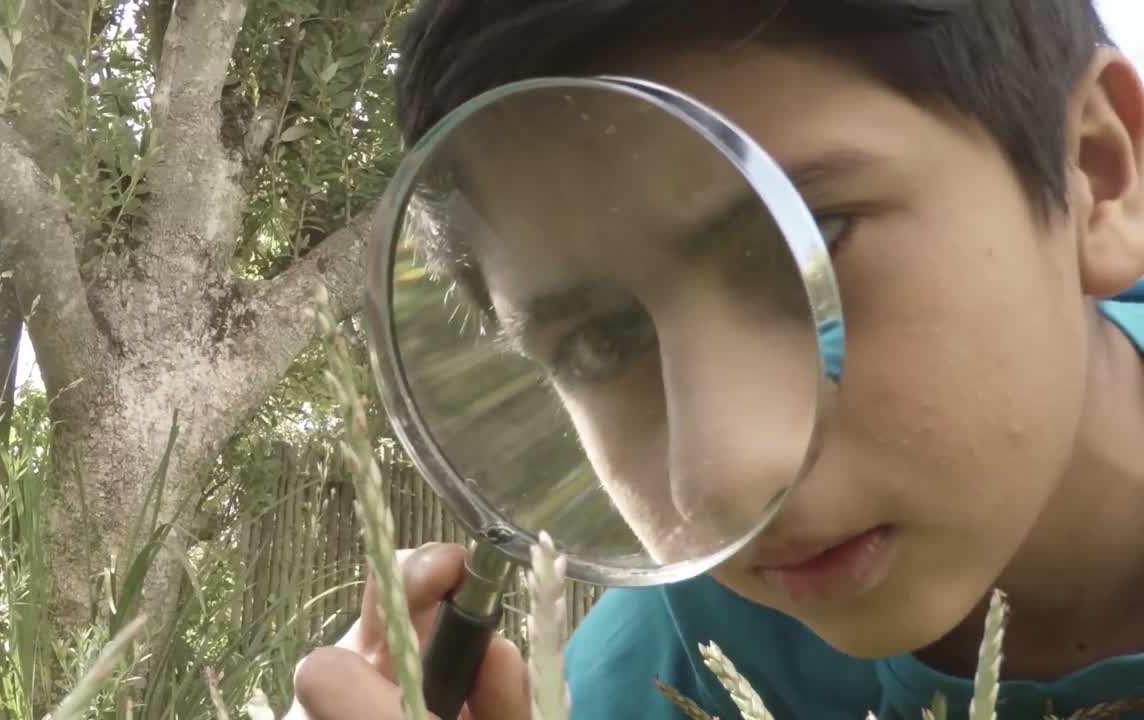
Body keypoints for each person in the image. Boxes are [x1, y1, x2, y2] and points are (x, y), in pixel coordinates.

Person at [291, 1, 1144, 718]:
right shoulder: (637, 688)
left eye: (817, 238)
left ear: (1097, 177)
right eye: (598, 343)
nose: (728, 474)